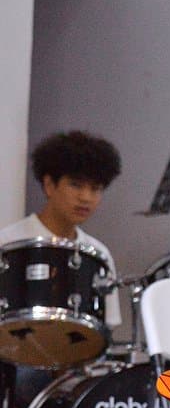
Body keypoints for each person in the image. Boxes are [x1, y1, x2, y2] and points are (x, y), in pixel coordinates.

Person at [0, 130, 126, 336]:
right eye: (75, 185)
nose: (86, 197)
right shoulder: (8, 242)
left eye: (95, 188)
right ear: (49, 185)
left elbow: (106, 329)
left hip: (78, 364)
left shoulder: (97, 253)